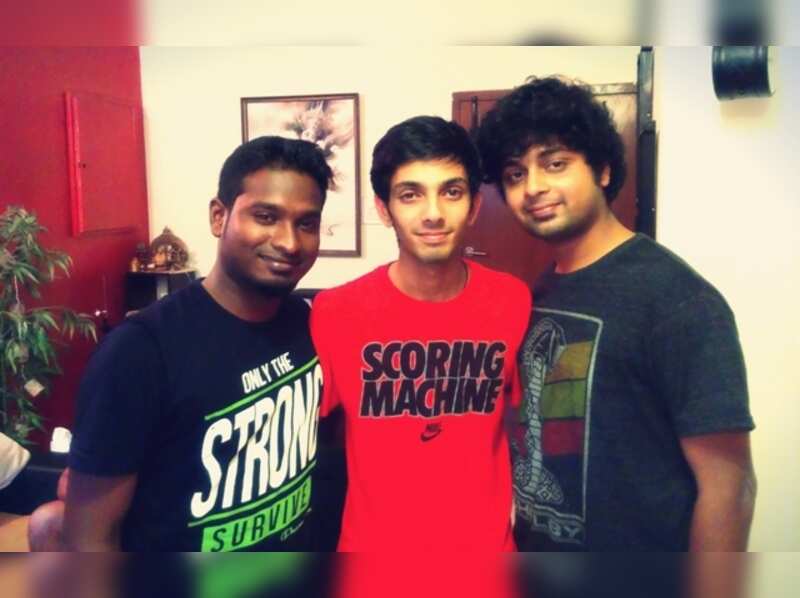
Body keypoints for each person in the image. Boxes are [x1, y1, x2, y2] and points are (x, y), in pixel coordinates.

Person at [476, 76, 757, 552]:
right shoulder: (540, 291)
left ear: (603, 170)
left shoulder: (678, 300)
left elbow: (730, 486)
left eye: (555, 164)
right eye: (515, 174)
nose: (534, 187)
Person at [50, 135, 332, 551]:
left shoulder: (305, 323)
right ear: (219, 217)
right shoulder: (139, 351)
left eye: (306, 224)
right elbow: (88, 539)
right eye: (265, 216)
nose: (289, 242)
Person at [310, 115, 531, 553]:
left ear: (474, 206)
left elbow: (526, 423)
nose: (433, 213)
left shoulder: (513, 301)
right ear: (383, 209)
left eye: (451, 191)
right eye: (410, 194)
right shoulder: (335, 312)